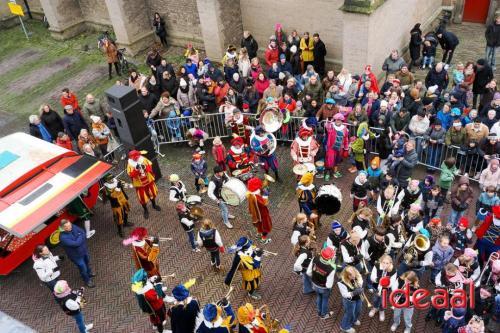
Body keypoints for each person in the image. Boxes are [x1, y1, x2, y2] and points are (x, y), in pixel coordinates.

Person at [59, 219, 95, 288]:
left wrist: (79, 237)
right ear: (63, 228)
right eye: (67, 227)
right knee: (83, 268)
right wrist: (80, 236)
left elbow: (83, 232)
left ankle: (89, 273)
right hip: (76, 256)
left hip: (83, 250)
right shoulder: (63, 237)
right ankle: (87, 280)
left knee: (87, 262)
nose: (70, 227)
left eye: (70, 225)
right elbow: (76, 244)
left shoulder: (73, 226)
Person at [130, 269, 169, 333]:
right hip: (157, 307)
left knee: (154, 318)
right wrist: (158, 285)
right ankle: (161, 331)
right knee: (159, 320)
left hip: (151, 308)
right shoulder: (148, 292)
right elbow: (158, 296)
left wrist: (152, 281)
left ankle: (155, 325)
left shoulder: (138, 288)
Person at [126, 150, 161, 219]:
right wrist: (136, 170)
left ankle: (154, 205)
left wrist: (144, 167)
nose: (136, 158)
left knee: (152, 194)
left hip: (149, 181)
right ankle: (145, 210)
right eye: (134, 157)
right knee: (142, 198)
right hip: (140, 185)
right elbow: (131, 175)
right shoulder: (130, 165)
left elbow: (150, 167)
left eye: (136, 157)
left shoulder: (143, 159)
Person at [306, 247, 336, 319]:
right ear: (331, 257)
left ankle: (319, 311)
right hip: (323, 287)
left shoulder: (315, 258)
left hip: (315, 284)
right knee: (325, 299)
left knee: (319, 296)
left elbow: (308, 272)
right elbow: (329, 285)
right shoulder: (331, 268)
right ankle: (323, 314)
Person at [369, 254, 397, 322]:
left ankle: (381, 310)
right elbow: (372, 277)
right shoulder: (377, 266)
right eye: (383, 262)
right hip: (376, 287)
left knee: (382, 301)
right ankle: (375, 308)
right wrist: (379, 280)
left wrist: (385, 283)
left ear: (390, 263)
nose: (385, 265)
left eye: (387, 263)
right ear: (381, 262)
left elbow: (391, 283)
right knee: (375, 299)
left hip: (385, 289)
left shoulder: (393, 270)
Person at [337, 265, 363, 332]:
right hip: (350, 301)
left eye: (354, 274)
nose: (353, 276)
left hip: (358, 297)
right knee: (349, 313)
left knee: (358, 310)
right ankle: (344, 326)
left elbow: (360, 277)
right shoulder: (341, 282)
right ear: (346, 275)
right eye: (350, 275)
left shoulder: (355, 274)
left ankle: (354, 320)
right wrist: (354, 293)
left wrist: (360, 284)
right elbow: (344, 294)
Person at [246, 177, 273, 244]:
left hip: (257, 214)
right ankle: (263, 239)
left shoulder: (250, 194)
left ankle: (258, 234)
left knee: (260, 225)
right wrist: (265, 195)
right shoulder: (256, 197)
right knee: (265, 226)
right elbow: (265, 203)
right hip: (262, 214)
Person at [324, 114, 349, 180]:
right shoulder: (332, 127)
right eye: (336, 120)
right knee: (329, 161)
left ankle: (335, 172)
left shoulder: (345, 129)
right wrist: (329, 121)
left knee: (337, 161)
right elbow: (327, 127)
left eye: (339, 120)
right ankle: (327, 173)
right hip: (331, 148)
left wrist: (346, 148)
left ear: (341, 121)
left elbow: (346, 138)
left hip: (339, 148)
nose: (337, 121)